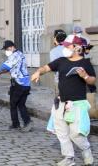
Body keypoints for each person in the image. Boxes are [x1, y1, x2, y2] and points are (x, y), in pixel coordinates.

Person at [31, 35, 95, 166]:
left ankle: (86, 149)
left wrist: (85, 76)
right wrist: (38, 72)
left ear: (77, 47)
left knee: (76, 133)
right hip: (60, 102)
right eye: (64, 45)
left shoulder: (85, 63)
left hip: (77, 104)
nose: (64, 48)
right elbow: (46, 68)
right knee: (62, 133)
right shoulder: (61, 60)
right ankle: (69, 158)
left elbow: (93, 80)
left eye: (68, 46)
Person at [0, 40, 32, 132]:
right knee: (21, 104)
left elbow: (2, 67)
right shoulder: (20, 54)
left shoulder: (13, 56)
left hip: (18, 83)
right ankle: (26, 122)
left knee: (13, 104)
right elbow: (11, 68)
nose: (6, 51)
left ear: (12, 47)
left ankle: (17, 124)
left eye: (7, 49)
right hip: (26, 83)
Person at [50, 29, 67, 94]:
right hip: (72, 80)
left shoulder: (53, 51)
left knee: (59, 100)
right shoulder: (71, 48)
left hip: (60, 79)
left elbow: (53, 67)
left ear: (55, 38)